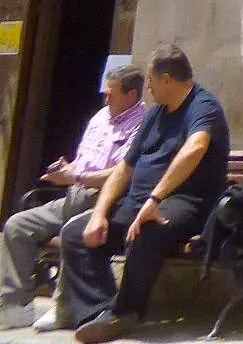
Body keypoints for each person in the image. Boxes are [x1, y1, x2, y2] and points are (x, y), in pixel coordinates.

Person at [58, 47, 229, 344]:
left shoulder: (204, 105)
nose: (146, 88)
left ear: (166, 79)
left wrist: (155, 200)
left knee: (148, 229)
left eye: (149, 81)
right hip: (137, 202)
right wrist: (99, 213)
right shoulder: (155, 116)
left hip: (186, 203)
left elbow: (196, 148)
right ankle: (100, 311)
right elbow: (124, 169)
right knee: (75, 233)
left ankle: (127, 310)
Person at [0, 63, 147, 333]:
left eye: (112, 94)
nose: (106, 100)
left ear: (132, 95)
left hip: (106, 200)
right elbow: (85, 160)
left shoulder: (142, 125)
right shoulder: (101, 117)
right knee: (17, 225)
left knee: (73, 231)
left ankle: (63, 308)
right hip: (74, 193)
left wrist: (76, 177)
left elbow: (121, 173)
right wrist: (67, 169)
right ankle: (15, 306)